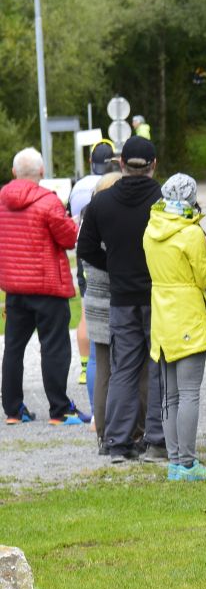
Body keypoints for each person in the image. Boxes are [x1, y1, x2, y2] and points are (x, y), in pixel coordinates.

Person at [75, 135, 167, 463]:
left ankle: (116, 441)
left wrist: (113, 266)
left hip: (121, 297)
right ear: (153, 165)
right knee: (157, 367)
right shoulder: (163, 200)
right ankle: (156, 439)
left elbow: (85, 249)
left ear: (122, 164)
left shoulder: (101, 203)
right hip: (158, 294)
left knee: (123, 368)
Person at [143, 173, 206, 480]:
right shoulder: (190, 233)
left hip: (162, 317)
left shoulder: (151, 229)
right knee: (189, 393)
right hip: (187, 315)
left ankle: (176, 461)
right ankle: (187, 463)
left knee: (169, 396)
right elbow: (205, 277)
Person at [0, 148, 82, 425]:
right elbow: (68, 239)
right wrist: (73, 223)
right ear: (42, 172)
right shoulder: (49, 202)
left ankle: (13, 410)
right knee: (54, 347)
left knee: (13, 348)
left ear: (14, 172)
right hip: (47, 287)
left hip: (15, 288)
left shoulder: (2, 200)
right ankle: (59, 409)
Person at [69, 140, 119, 419]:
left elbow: (72, 219)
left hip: (86, 260)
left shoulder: (79, 187)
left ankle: (84, 364)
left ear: (91, 161)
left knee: (88, 318)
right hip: (113, 269)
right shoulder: (115, 188)